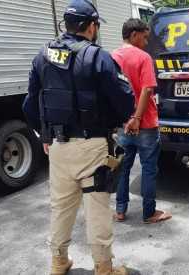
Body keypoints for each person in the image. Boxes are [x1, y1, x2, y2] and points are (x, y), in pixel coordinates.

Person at [22, 0, 135, 274]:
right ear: (91, 26)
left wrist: (46, 136)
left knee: (60, 208)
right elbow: (124, 100)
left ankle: (58, 261)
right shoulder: (97, 57)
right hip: (93, 146)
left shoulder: (42, 55)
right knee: (97, 209)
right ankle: (104, 268)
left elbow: (30, 102)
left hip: (58, 147)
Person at [111, 18, 172, 224]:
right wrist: (137, 118)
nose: (146, 43)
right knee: (148, 169)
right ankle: (149, 213)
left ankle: (120, 210)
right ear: (134, 35)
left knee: (122, 167)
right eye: (144, 38)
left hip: (122, 125)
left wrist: (125, 119)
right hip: (144, 122)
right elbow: (147, 89)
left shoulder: (112, 57)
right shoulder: (144, 58)